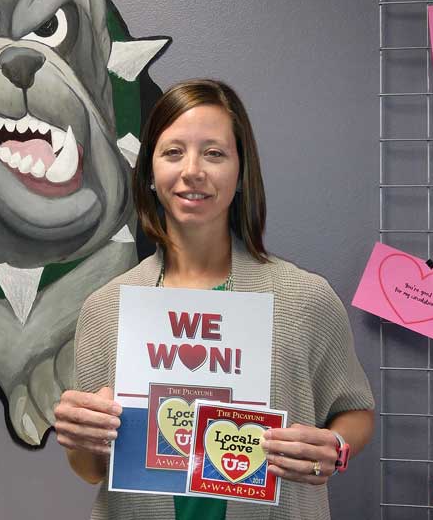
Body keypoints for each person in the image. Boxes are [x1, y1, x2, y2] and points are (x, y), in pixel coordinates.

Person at [54, 79, 375, 520]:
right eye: (173, 152)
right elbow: (91, 470)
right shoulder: (108, 308)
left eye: (214, 152)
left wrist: (335, 448)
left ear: (242, 173)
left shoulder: (305, 298)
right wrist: (79, 435)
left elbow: (354, 411)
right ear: (149, 172)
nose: (193, 171)